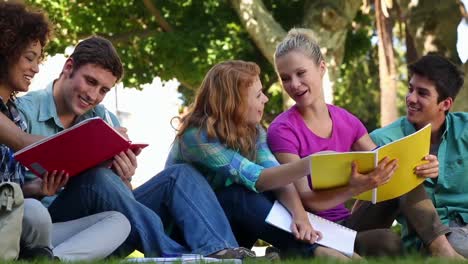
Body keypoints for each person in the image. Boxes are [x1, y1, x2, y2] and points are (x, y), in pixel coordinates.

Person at [16, 35, 252, 259]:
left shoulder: (103, 120)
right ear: (69, 67)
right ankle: (177, 256)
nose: (93, 96)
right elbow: (5, 195)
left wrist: (125, 177)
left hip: (110, 229)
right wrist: (37, 188)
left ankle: (223, 250)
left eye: (104, 90)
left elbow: (124, 199)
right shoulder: (23, 112)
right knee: (98, 178)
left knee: (180, 175)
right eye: (90, 81)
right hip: (48, 227)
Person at [165, 59, 404, 260]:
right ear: (234, 102)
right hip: (189, 231)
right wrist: (309, 163)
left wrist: (299, 216)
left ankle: (309, 249)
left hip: (231, 229)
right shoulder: (197, 137)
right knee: (240, 194)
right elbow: (257, 178)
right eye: (258, 95)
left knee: (266, 191)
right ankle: (316, 252)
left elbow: (277, 176)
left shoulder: (254, 131)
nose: (266, 99)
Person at [267, 28, 463, 258]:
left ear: (321, 68)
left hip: (346, 225)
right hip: (312, 230)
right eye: (286, 78)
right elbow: (307, 200)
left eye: (301, 73)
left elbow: (384, 161)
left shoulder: (345, 120)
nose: (294, 84)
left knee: (398, 172)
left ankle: (441, 249)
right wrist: (355, 187)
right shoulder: (282, 130)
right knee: (388, 242)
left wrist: (426, 166)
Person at [0, 2, 130, 261]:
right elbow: (22, 141)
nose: (36, 68)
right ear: (5, 51)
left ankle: (52, 259)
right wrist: (92, 149)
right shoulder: (23, 119)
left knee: (118, 222)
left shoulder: (14, 113)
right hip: (18, 220)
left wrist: (37, 187)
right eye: (29, 57)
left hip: (20, 222)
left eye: (38, 59)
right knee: (35, 213)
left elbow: (12, 192)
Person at [370, 54, 468, 257]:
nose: (411, 98)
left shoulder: (465, 129)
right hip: (432, 238)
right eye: (410, 89)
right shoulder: (384, 139)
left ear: (446, 104)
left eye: (422, 93)